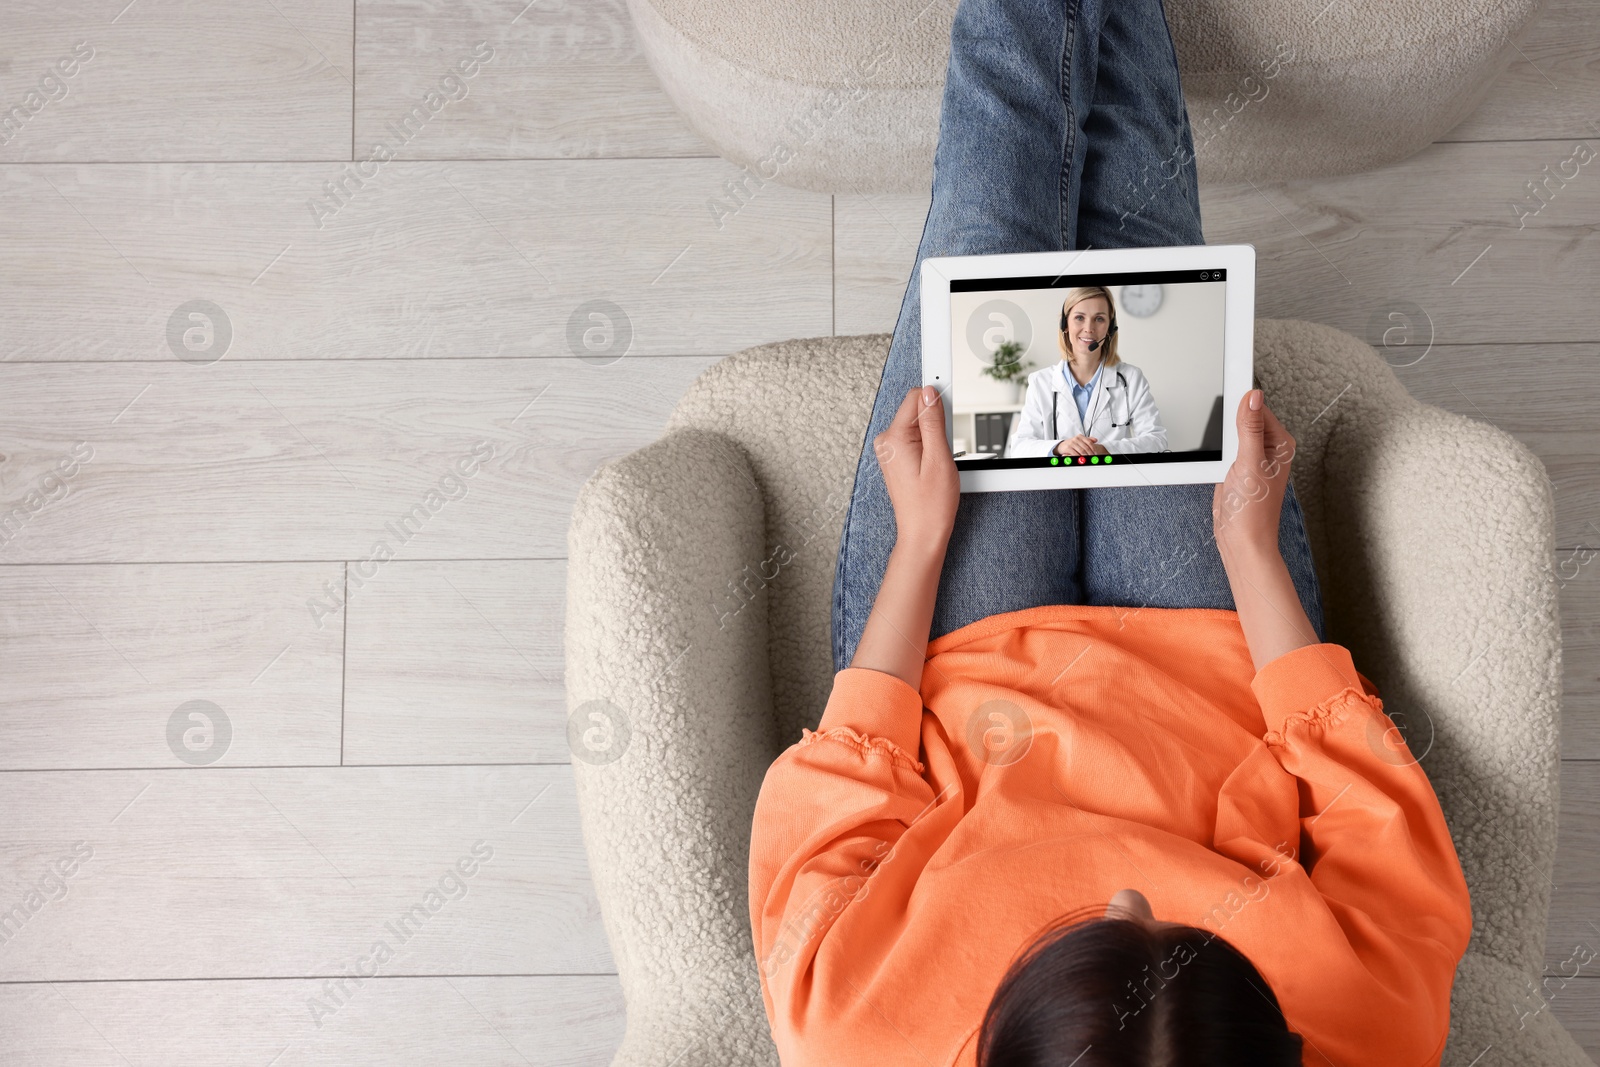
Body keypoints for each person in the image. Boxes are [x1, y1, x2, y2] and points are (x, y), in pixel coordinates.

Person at [746, 0, 1474, 1062]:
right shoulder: (1370, 1033)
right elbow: (1370, 805)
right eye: (1170, 924)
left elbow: (841, 792)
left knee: (992, 206)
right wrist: (1251, 551)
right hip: (1216, 645)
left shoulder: (854, 1035)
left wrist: (917, 542)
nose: (1130, 883)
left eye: (1085, 929)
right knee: (1143, 219)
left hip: (957, 650)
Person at [1005, 286, 1168, 457]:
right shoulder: (1040, 382)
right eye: (1079, 318)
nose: (1089, 328)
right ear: (1065, 324)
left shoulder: (1131, 378)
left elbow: (1157, 439)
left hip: (1113, 479)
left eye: (1099, 319)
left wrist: (1106, 450)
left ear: (1110, 328)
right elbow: (1019, 447)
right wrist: (1060, 447)